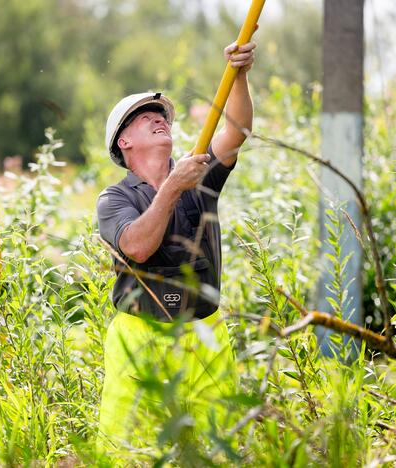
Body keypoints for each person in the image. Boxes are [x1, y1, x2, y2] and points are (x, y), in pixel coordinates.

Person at [96, 41, 255, 452]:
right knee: (126, 450)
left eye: (161, 116)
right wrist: (172, 187)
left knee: (217, 448)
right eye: (145, 118)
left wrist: (238, 74)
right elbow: (138, 247)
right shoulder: (115, 200)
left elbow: (236, 131)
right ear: (123, 143)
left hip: (206, 332)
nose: (158, 120)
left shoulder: (199, 172)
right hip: (140, 337)